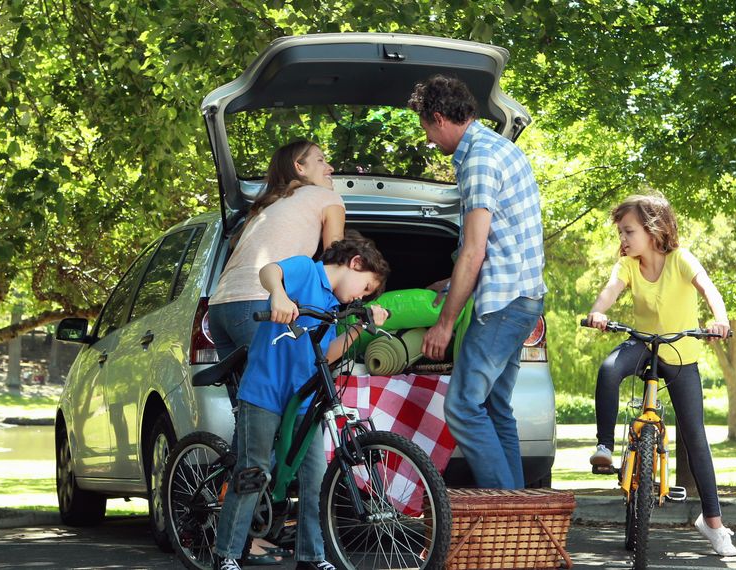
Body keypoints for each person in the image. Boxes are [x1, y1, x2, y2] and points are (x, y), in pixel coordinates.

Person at [214, 237, 391, 570]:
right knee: (254, 470)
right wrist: (279, 295)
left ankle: (311, 556)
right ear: (355, 263)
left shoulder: (333, 307)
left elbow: (324, 355)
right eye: (365, 288)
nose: (360, 297)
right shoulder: (306, 271)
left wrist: (359, 330)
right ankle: (227, 553)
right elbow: (270, 271)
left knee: (315, 476)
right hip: (265, 390)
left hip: (305, 397)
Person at [409, 75, 547, 490]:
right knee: (496, 408)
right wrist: (447, 283)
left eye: (426, 130)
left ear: (438, 117)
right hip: (524, 299)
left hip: (503, 304)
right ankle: (520, 516)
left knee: (464, 408)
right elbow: (496, 243)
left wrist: (445, 322)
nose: (429, 140)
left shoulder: (479, 160)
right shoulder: (500, 148)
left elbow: (475, 249)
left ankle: (507, 512)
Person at [584, 194, 736, 557]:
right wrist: (598, 312)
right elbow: (610, 290)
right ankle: (605, 447)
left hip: (681, 352)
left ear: (653, 229)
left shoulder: (681, 260)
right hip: (644, 345)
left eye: (628, 231)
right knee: (609, 369)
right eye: (621, 232)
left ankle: (713, 524)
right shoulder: (627, 266)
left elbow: (709, 289)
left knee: (696, 437)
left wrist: (721, 321)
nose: (623, 239)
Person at [208, 139, 345, 361]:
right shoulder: (327, 197)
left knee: (250, 392)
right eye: (320, 160)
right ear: (299, 167)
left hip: (219, 307)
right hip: (259, 301)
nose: (330, 168)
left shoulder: (269, 205)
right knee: (285, 389)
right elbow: (336, 257)